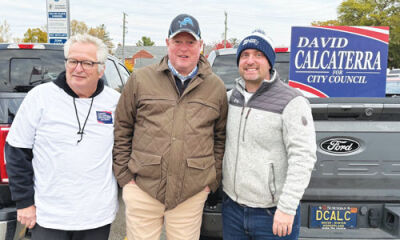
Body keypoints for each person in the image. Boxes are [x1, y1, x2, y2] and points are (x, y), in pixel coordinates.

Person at [113, 13, 228, 240]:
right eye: (177, 41)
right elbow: (123, 128)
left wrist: (210, 182)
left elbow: (220, 137)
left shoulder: (216, 87)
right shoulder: (140, 80)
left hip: (191, 194)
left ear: (200, 45)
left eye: (190, 42)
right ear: (167, 43)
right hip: (142, 188)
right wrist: (125, 178)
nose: (183, 48)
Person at [5, 34, 119, 240]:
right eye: (73, 61)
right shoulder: (40, 97)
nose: (78, 68)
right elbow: (16, 151)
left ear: (101, 68)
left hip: (97, 216)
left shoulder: (115, 102)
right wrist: (24, 202)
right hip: (49, 216)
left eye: (87, 63)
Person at [222, 30, 317, 239]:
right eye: (245, 55)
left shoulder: (292, 102)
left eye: (258, 54)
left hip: (273, 214)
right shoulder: (229, 99)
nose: (250, 61)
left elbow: (303, 157)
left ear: (270, 61)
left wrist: (287, 208)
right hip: (232, 211)